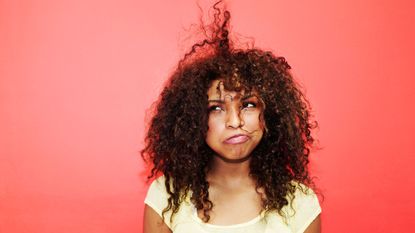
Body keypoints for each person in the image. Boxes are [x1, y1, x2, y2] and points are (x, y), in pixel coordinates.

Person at [142, 2, 322, 232]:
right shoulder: (166, 196)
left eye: (247, 105)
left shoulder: (301, 203)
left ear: (268, 113)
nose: (235, 122)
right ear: (194, 119)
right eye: (216, 108)